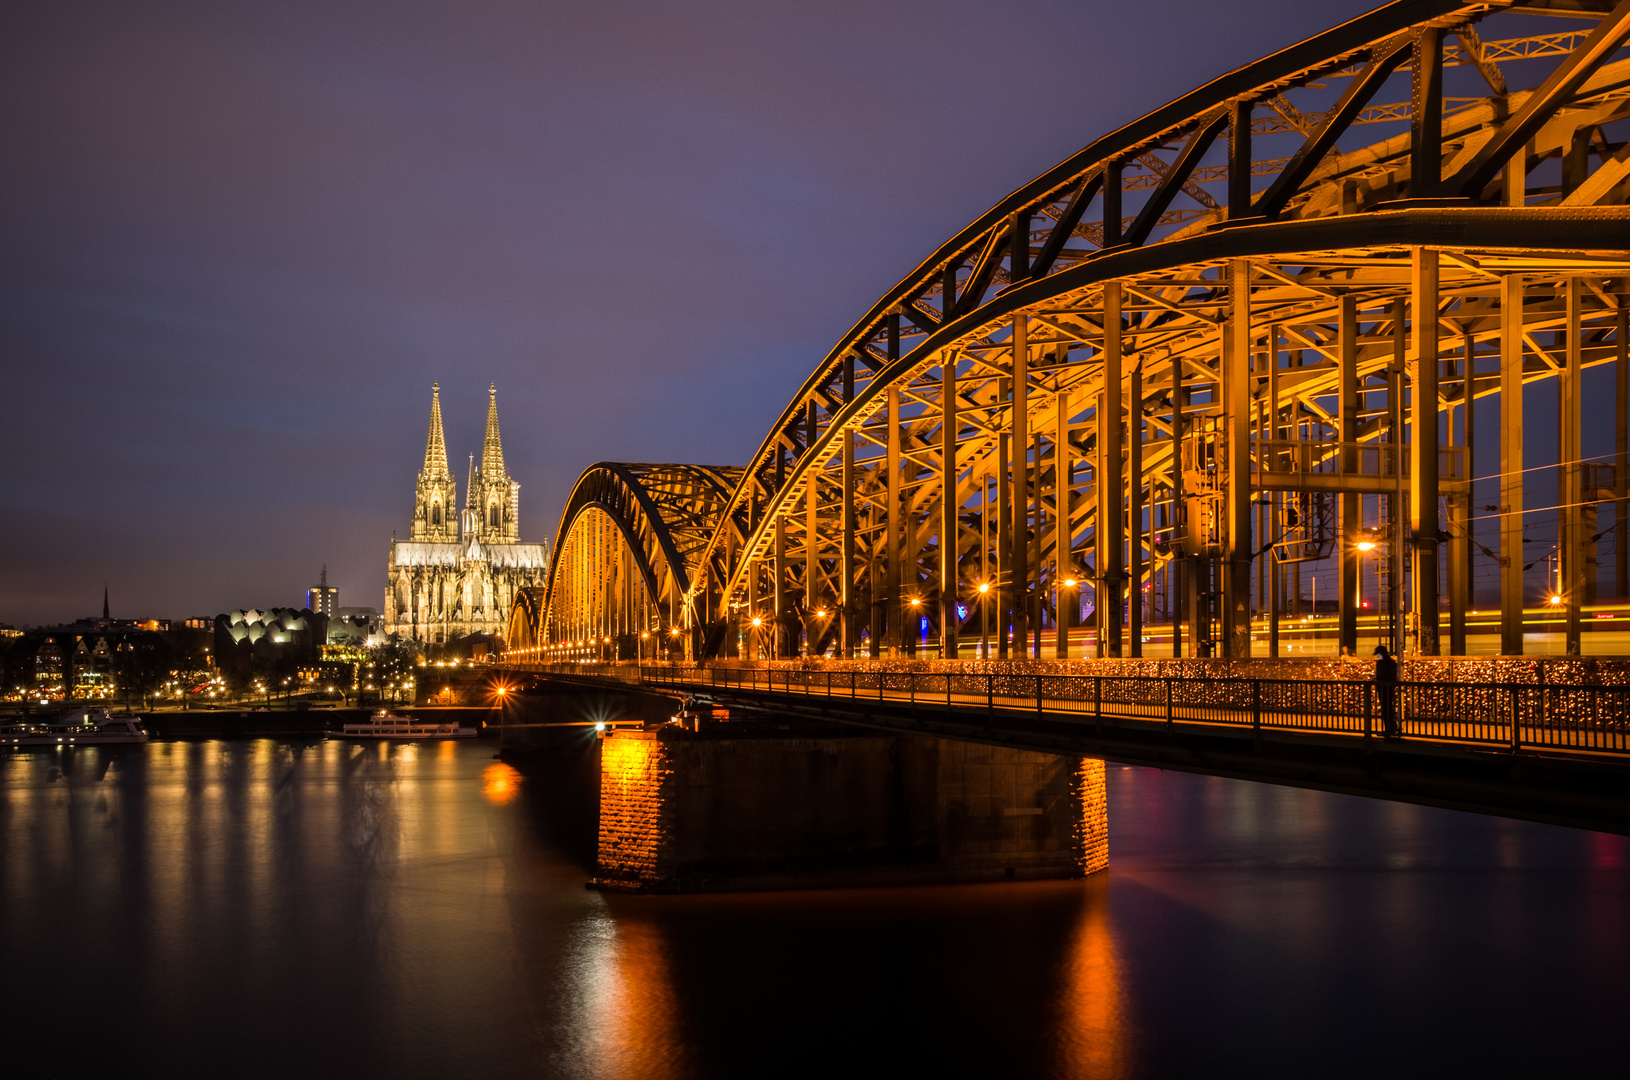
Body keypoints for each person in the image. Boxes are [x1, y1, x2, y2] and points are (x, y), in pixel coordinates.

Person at [1373, 645, 1400, 738]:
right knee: (1388, 708)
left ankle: (1390, 729)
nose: (1377, 656)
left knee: (1386, 708)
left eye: (1378, 654)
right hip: (1386, 687)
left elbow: (1381, 675)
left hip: (1384, 687)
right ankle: (1391, 728)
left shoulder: (1383, 663)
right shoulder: (1391, 662)